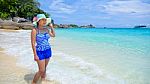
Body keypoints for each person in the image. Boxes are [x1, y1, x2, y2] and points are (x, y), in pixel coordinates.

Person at [31, 14, 55, 84]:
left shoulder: (46, 29)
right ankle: (34, 82)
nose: (44, 21)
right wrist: (35, 55)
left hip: (48, 50)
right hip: (40, 51)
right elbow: (33, 43)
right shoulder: (34, 30)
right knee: (41, 70)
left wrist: (52, 28)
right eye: (43, 20)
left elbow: (53, 35)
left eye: (45, 20)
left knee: (44, 68)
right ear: (38, 21)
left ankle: (43, 80)